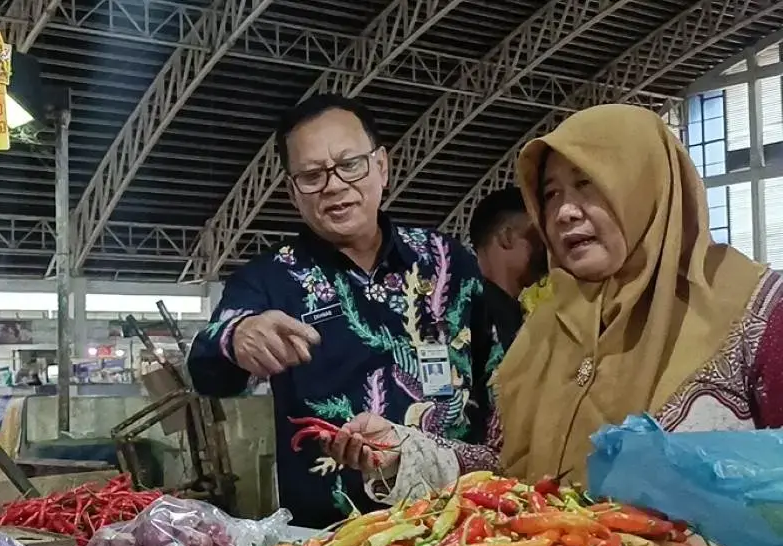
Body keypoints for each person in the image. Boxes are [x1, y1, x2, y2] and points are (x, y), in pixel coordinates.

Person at [323, 103, 783, 487]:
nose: (563, 212)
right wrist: (407, 451)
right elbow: (509, 475)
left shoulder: (756, 311)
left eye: (587, 185)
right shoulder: (545, 329)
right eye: (550, 193)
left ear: (647, 185)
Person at [188, 94, 497, 527]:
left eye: (350, 164)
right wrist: (236, 337)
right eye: (312, 175)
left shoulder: (445, 260)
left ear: (382, 166)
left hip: (465, 519)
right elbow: (205, 371)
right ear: (293, 192)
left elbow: (498, 369)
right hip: (333, 542)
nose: (333, 185)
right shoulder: (270, 279)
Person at [468, 186, 547, 350]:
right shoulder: (478, 319)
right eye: (537, 237)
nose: (546, 248)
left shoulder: (466, 308)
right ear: (507, 237)